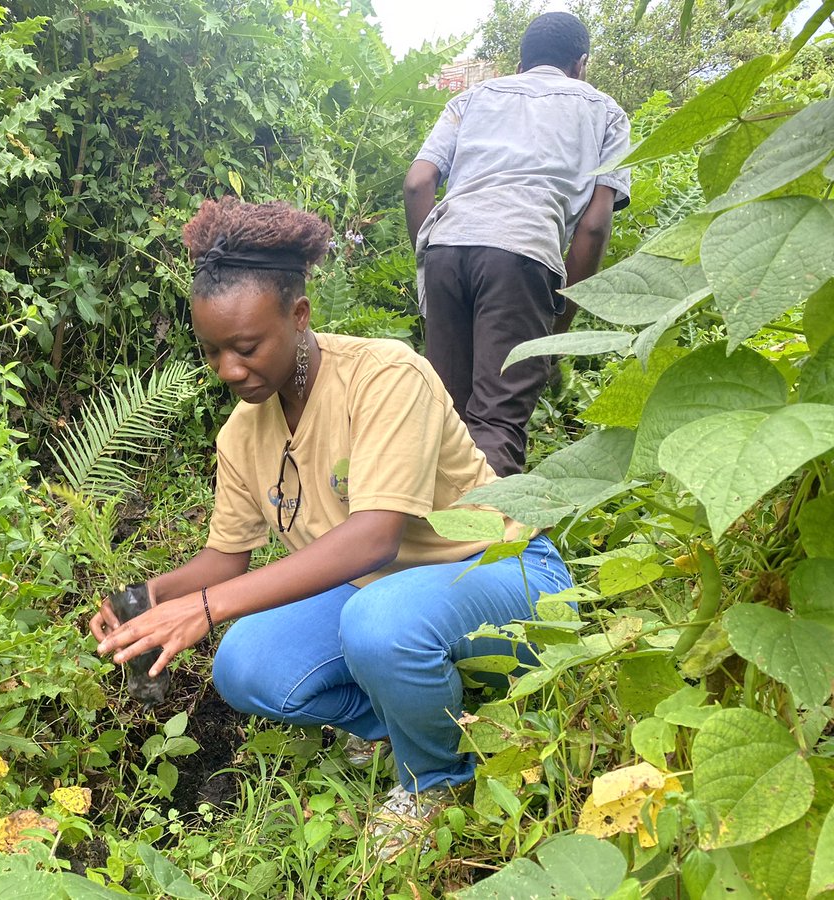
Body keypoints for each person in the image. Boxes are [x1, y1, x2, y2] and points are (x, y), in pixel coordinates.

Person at [90, 197, 572, 857]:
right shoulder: (242, 433)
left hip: (504, 575)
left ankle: (436, 778)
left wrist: (205, 609)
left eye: (248, 346)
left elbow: (375, 539)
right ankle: (423, 719)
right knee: (246, 664)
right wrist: (148, 597)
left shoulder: (384, 376)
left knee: (378, 623)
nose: (230, 370)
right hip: (381, 597)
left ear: (299, 315)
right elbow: (224, 561)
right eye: (213, 352)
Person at [404, 12, 631, 477]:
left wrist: (430, 261)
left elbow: (418, 182)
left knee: (445, 413)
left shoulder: (473, 97)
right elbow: (593, 228)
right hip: (522, 254)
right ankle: (484, 542)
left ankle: (432, 538)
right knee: (497, 421)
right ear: (581, 63)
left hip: (448, 247)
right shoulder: (605, 113)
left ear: (521, 61)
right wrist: (560, 321)